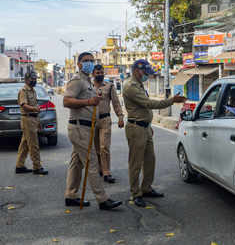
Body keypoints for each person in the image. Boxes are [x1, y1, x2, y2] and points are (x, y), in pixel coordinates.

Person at [123, 59, 187, 208]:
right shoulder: (130, 86)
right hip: (136, 128)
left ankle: (146, 188)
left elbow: (144, 108)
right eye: (145, 73)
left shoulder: (138, 84)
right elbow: (149, 104)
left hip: (144, 127)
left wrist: (148, 124)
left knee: (150, 160)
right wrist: (172, 101)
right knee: (135, 163)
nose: (147, 76)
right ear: (137, 71)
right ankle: (136, 193)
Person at [63, 52, 122, 210]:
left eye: (91, 60)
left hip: (86, 127)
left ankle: (71, 195)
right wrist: (89, 101)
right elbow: (66, 101)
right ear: (79, 64)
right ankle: (102, 199)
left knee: (76, 164)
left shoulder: (87, 81)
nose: (89, 63)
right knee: (92, 163)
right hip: (79, 127)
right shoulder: (77, 80)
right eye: (85, 61)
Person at [92, 64, 124, 183]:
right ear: (93, 74)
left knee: (104, 147)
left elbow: (116, 103)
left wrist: (120, 117)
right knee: (96, 149)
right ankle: (100, 168)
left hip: (105, 120)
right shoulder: (88, 87)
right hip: (92, 121)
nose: (99, 75)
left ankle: (106, 172)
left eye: (101, 73)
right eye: (97, 73)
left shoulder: (109, 86)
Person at [15, 72, 48, 175]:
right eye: (32, 79)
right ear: (26, 79)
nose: (34, 80)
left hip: (33, 119)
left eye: (35, 78)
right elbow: (24, 105)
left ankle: (19, 166)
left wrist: (37, 121)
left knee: (24, 145)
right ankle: (37, 167)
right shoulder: (23, 91)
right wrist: (35, 109)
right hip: (27, 119)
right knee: (34, 145)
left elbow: (34, 107)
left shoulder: (33, 91)